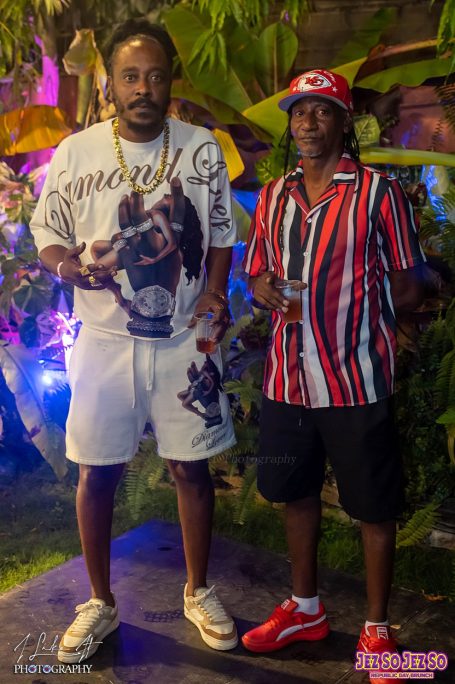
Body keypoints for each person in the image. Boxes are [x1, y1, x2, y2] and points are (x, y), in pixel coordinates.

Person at [30, 19, 239, 663]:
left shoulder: (201, 149)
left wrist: (213, 292)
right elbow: (48, 236)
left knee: (190, 468)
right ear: (111, 86)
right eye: (130, 77)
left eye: (154, 76)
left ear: (170, 82)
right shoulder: (76, 152)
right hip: (103, 340)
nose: (142, 88)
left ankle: (198, 589)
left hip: (182, 340)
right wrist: (69, 268)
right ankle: (99, 601)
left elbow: (222, 233)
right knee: (96, 472)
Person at [241, 70, 425, 681]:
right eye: (300, 112)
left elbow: (408, 280)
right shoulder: (273, 196)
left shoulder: (378, 193)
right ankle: (306, 609)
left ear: (345, 122)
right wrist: (261, 285)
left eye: (322, 111)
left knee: (373, 505)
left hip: (354, 376)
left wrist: (380, 319)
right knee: (293, 492)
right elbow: (257, 270)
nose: (308, 122)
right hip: (286, 378)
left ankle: (376, 629)